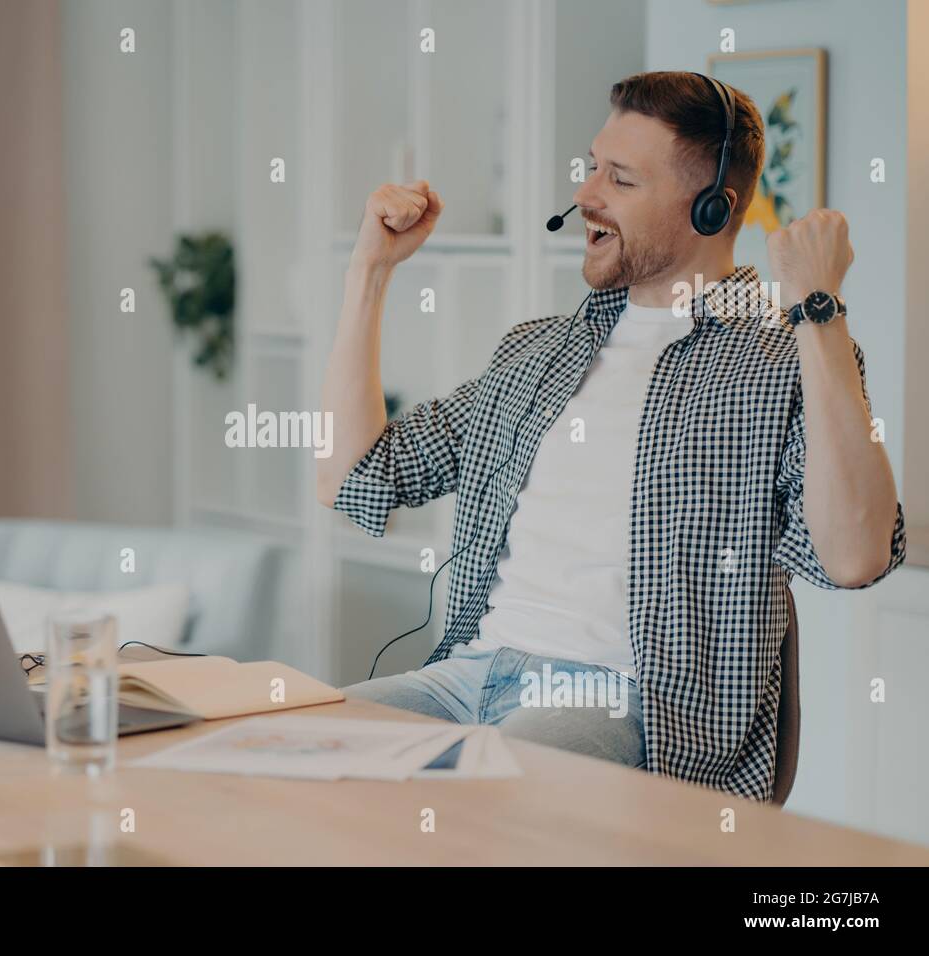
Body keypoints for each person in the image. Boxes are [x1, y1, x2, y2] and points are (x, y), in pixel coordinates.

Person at [318, 71, 906, 800]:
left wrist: (819, 307)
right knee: (277, 760)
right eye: (593, 167)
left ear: (710, 207)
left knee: (478, 804)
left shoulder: (781, 360)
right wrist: (368, 272)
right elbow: (350, 477)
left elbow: (854, 554)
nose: (587, 195)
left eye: (620, 180)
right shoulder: (537, 353)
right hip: (463, 677)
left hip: (620, 702)